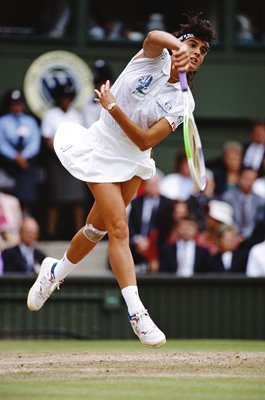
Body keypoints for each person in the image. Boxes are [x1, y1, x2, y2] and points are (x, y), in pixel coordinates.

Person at [27, 12, 217, 348]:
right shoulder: (152, 56)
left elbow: (145, 141)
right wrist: (177, 46)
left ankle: (54, 273)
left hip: (133, 159)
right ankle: (137, 313)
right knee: (119, 228)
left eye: (202, 50)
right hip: (99, 148)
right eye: (192, 44)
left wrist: (114, 107)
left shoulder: (184, 103)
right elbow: (155, 35)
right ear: (178, 43)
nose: (196, 52)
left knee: (95, 229)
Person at [41, 84, 87, 239]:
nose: (66, 101)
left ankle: (81, 233)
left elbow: (83, 137)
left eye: (69, 99)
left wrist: (72, 153)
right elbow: (47, 138)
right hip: (56, 160)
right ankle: (51, 233)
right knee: (55, 199)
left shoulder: (77, 116)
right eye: (63, 99)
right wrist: (60, 153)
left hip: (74, 159)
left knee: (77, 199)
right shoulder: (50, 115)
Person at [0, 89, 41, 214]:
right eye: (14, 104)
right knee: (9, 198)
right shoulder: (3, 121)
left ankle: (25, 221)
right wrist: (15, 157)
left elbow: (35, 143)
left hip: (26, 164)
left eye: (19, 103)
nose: (17, 107)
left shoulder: (30, 121)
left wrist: (24, 156)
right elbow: (2, 143)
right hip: (9, 164)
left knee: (26, 197)